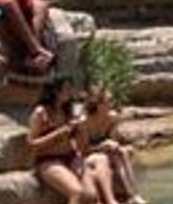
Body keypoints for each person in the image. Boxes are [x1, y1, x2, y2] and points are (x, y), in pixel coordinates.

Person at [28, 76, 117, 204]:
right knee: (77, 192)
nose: (70, 92)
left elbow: (82, 147)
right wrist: (58, 133)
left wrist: (80, 130)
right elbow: (31, 144)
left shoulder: (68, 111)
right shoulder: (41, 112)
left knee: (91, 195)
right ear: (55, 91)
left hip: (70, 156)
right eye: (66, 89)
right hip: (48, 160)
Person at [81, 85, 149, 204]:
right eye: (108, 101)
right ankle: (120, 197)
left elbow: (114, 141)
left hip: (107, 152)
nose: (111, 104)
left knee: (123, 153)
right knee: (115, 155)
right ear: (98, 104)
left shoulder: (112, 118)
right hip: (90, 155)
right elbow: (82, 150)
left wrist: (114, 145)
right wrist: (101, 146)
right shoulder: (84, 122)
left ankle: (134, 194)